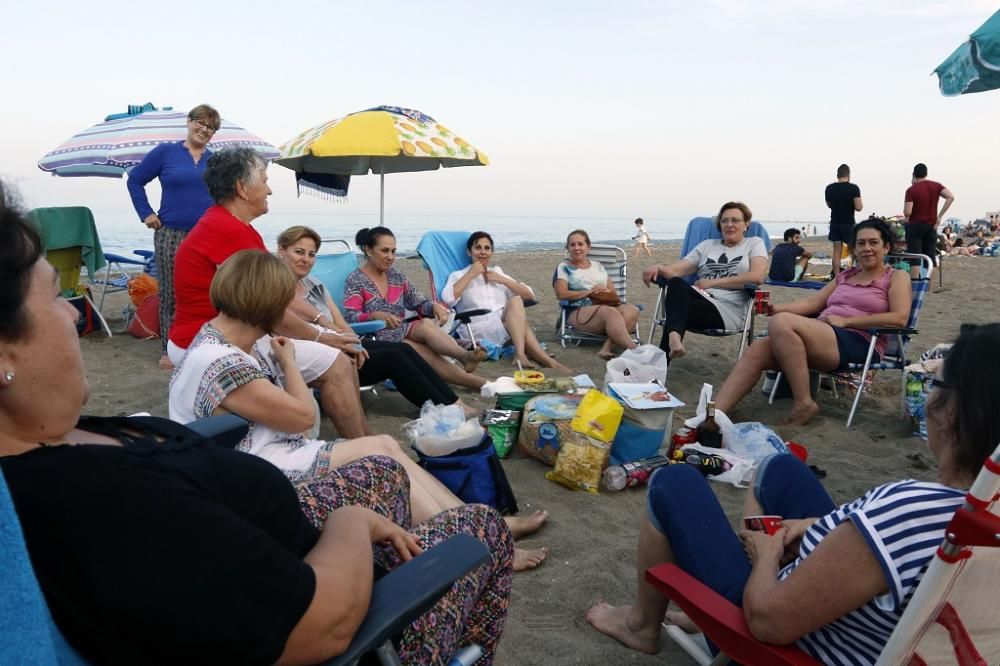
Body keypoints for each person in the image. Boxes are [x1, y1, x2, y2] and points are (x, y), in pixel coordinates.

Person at [0, 179, 513, 665]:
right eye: (52, 296)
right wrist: (352, 524)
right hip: (325, 604)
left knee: (380, 466)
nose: (74, 315)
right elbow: (321, 625)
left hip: (264, 518)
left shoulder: (56, 444)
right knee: (482, 530)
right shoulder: (99, 497)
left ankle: (408, 544)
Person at [587, 322, 997, 665]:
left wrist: (766, 556)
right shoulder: (982, 517)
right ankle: (722, 596)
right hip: (863, 618)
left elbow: (768, 622)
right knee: (780, 469)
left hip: (782, 639)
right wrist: (822, 527)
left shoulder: (909, 513)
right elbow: (890, 556)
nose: (926, 392)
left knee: (673, 482)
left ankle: (643, 625)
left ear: (953, 413)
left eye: (934, 381)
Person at [170, 249, 549, 572]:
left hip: (263, 453)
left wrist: (330, 346)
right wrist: (287, 363)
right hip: (251, 471)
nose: (289, 311)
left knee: (384, 444)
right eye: (284, 303)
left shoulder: (233, 339)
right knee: (377, 451)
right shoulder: (223, 362)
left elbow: (319, 366)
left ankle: (481, 524)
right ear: (266, 304)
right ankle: (479, 544)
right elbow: (303, 417)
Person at [167, 147, 371, 439]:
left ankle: (364, 437)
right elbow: (271, 311)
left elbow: (281, 296)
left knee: (339, 355)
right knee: (337, 362)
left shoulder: (232, 226)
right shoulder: (228, 231)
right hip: (211, 343)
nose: (270, 190)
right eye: (264, 180)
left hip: (227, 333)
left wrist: (326, 326)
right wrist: (323, 336)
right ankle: (363, 444)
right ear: (242, 188)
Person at [712, 217, 911, 426]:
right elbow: (813, 303)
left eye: (873, 242)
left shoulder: (896, 276)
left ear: (886, 247)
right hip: (825, 335)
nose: (866, 248)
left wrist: (847, 322)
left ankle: (803, 402)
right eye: (860, 243)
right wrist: (777, 309)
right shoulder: (845, 276)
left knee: (781, 323)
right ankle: (714, 414)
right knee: (759, 348)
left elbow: (899, 318)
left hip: (861, 341)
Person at [277, 225, 477, 412]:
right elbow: (343, 317)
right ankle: (449, 407)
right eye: (299, 252)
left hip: (347, 344)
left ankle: (455, 402)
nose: (306, 259)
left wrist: (354, 344)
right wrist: (353, 331)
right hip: (325, 351)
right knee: (396, 356)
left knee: (405, 348)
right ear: (281, 251)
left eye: (311, 254)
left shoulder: (315, 285)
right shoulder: (275, 289)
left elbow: (341, 323)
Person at [126, 104, 219, 370]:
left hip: (206, 235)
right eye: (200, 123)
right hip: (170, 234)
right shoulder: (166, 152)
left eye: (210, 127)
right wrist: (146, 213)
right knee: (171, 292)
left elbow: (225, 195)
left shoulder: (215, 161)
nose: (204, 129)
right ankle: (169, 349)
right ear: (189, 122)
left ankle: (201, 344)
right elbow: (135, 181)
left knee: (207, 291)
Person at [344, 227, 487, 391]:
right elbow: (350, 317)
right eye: (385, 251)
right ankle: (478, 383)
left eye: (393, 251)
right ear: (368, 250)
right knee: (420, 350)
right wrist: (373, 316)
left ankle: (465, 356)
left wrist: (434, 306)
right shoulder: (355, 280)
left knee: (426, 324)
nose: (390, 257)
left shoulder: (396, 276)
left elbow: (418, 301)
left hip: (399, 329)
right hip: (373, 336)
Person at [641, 202, 768, 361]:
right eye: (724, 220)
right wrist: (658, 267)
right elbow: (676, 270)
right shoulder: (707, 245)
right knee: (675, 283)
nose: (729, 225)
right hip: (697, 304)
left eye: (735, 220)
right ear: (719, 224)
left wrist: (712, 283)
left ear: (746, 224)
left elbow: (757, 276)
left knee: (676, 314)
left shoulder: (754, 243)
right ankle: (673, 340)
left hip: (728, 310)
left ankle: (664, 354)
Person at [442, 231, 569, 371]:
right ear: (469, 252)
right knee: (521, 322)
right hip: (478, 329)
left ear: (491, 252)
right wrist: (471, 274)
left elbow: (529, 295)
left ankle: (521, 355)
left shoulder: (497, 272)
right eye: (478, 247)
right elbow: (448, 298)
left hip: (505, 328)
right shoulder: (458, 275)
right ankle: (545, 361)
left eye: (487, 248)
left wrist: (503, 280)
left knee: (515, 300)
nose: (483, 252)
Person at [553, 229, 641, 361]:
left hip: (606, 308)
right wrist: (588, 292)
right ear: (568, 248)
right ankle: (635, 351)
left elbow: (613, 293)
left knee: (632, 310)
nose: (576, 248)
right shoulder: (563, 268)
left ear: (588, 246)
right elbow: (561, 294)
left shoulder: (598, 266)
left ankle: (606, 348)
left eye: (580, 244)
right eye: (572, 245)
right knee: (609, 311)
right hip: (578, 310)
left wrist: (604, 291)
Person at [904, 163, 954, 268]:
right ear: (926, 174)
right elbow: (950, 196)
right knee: (930, 259)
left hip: (915, 226)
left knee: (915, 259)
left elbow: (907, 212)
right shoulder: (936, 186)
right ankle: (929, 284)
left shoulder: (911, 190)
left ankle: (916, 284)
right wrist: (939, 216)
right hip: (931, 226)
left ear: (913, 174)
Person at [825, 163, 863, 277]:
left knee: (837, 251)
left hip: (835, 222)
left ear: (837, 175)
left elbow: (829, 205)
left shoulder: (829, 188)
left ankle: (837, 276)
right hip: (848, 223)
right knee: (853, 250)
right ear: (848, 175)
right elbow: (859, 207)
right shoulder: (853, 188)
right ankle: (854, 273)